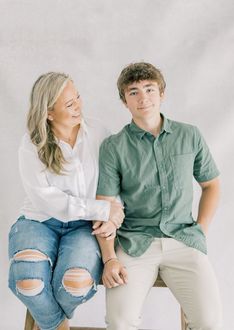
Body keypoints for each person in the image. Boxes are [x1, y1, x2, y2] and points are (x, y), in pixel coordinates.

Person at [93, 62, 223, 330]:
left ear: (162, 94)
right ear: (124, 101)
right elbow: (103, 207)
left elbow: (211, 185)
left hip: (184, 239)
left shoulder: (190, 135)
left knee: (210, 323)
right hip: (134, 244)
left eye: (150, 89)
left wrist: (200, 231)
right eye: (134, 92)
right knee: (120, 322)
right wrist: (110, 258)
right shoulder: (113, 147)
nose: (143, 99)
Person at [8, 72, 124, 330]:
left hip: (84, 226)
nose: (78, 107)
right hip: (39, 222)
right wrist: (103, 209)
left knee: (75, 283)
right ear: (48, 112)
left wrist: (116, 214)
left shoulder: (98, 132)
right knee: (29, 284)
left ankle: (50, 319)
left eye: (78, 98)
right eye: (69, 104)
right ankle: (59, 325)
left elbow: (116, 177)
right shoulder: (32, 144)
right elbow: (49, 201)